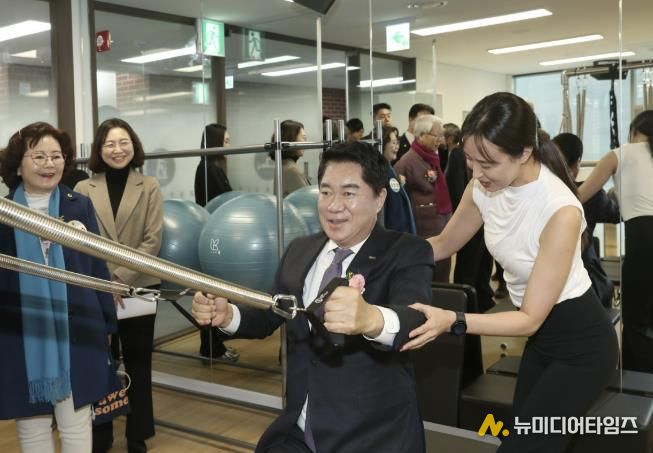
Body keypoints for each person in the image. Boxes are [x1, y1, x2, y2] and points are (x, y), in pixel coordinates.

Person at [403, 92, 619, 453]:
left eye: (487, 163)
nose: (476, 173)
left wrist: (452, 320)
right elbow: (442, 244)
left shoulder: (559, 210)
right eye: (470, 160)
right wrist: (382, 252)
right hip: (542, 343)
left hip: (581, 347)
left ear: (523, 153)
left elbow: (529, 318)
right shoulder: (483, 186)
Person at [192, 141, 433, 453]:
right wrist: (228, 316)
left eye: (349, 193)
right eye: (325, 192)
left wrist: (371, 319)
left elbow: (415, 319)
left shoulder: (407, 251)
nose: (333, 206)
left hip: (373, 436)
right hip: (298, 432)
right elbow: (272, 312)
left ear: (379, 199)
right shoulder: (300, 249)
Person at [0, 122, 117, 453]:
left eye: (56, 156)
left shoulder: (78, 205)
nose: (49, 164)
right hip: (21, 332)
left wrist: (107, 324)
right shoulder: (4, 213)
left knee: (76, 422)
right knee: (32, 424)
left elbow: (96, 268)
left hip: (77, 328)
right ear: (18, 165)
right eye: (38, 156)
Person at [75, 118, 163, 453]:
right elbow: (80, 243)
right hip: (96, 289)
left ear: (133, 145)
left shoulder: (149, 186)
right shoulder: (83, 188)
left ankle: (138, 436)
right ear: (99, 149)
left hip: (139, 286)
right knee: (101, 364)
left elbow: (152, 241)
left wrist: (119, 280)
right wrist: (104, 283)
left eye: (123, 142)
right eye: (110, 143)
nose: (117, 149)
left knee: (139, 365)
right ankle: (101, 435)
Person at [578, 110, 653, 372]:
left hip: (643, 239)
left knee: (635, 320)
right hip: (644, 235)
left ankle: (637, 382)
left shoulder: (618, 154)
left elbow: (580, 195)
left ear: (634, 131)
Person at [554, 132, 619, 309]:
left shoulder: (540, 193)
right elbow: (616, 214)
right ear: (577, 163)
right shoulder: (591, 195)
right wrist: (615, 193)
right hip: (587, 283)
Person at [193, 123, 240, 362]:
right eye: (226, 141)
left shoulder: (211, 167)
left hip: (216, 236)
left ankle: (214, 346)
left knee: (217, 294)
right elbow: (222, 202)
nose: (229, 145)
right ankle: (212, 348)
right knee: (214, 294)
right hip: (215, 239)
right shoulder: (208, 168)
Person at [394, 114, 452, 282]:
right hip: (424, 234)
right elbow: (399, 202)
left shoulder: (433, 158)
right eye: (436, 135)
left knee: (443, 276)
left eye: (441, 135)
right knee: (429, 279)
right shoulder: (407, 162)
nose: (440, 140)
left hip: (441, 228)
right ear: (420, 136)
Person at [445, 122, 494, 312]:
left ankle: (480, 300)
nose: (477, 171)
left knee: (479, 264)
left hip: (479, 217)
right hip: (470, 216)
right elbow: (457, 188)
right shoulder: (459, 155)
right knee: (470, 265)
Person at [381, 125, 416, 234]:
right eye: (393, 143)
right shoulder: (381, 172)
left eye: (397, 143)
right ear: (382, 144)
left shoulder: (390, 169)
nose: (397, 147)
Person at [194, 123, 233, 207]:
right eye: (226, 142)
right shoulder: (206, 168)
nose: (229, 146)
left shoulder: (213, 168)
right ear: (216, 143)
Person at [269, 119, 310, 196]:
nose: (305, 143)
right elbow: (307, 199)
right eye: (303, 138)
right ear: (291, 139)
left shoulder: (283, 165)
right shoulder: (291, 170)